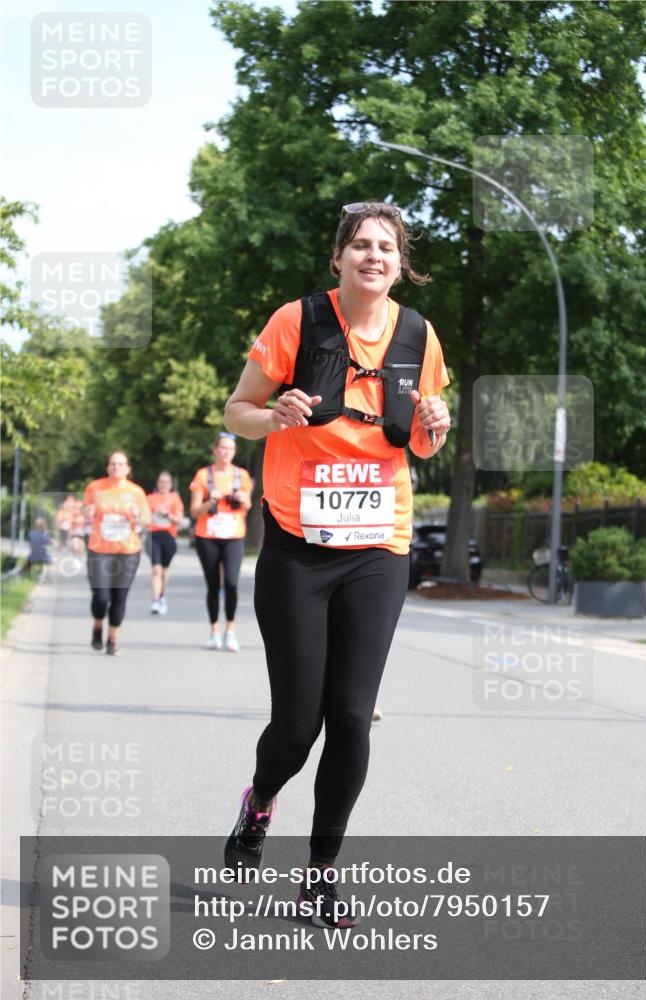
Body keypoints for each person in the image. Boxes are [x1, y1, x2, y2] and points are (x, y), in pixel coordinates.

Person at [222, 200, 451, 927]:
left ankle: (319, 877)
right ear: (338, 258)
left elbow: (419, 440)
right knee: (297, 727)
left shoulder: (418, 335)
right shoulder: (296, 321)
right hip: (297, 547)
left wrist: (436, 426)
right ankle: (259, 803)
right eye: (360, 245)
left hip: (378, 548)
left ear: (399, 263)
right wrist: (274, 415)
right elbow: (236, 410)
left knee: (351, 717)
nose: (372, 256)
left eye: (385, 247)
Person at [189, 433, 253, 651]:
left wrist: (243, 499)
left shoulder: (241, 475)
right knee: (213, 585)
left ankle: (231, 630)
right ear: (215, 450)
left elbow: (247, 506)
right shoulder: (202, 475)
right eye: (223, 448)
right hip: (208, 536)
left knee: (232, 583)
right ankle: (214, 631)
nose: (226, 452)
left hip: (233, 536)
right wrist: (211, 501)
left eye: (231, 449)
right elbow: (194, 511)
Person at [84, 450, 151, 656]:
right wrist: (87, 511)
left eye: (121, 464)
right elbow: (85, 510)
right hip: (100, 549)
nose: (116, 467)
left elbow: (147, 520)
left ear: (128, 469)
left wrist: (139, 517)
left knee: (119, 596)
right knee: (101, 596)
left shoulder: (136, 492)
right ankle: (98, 627)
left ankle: (112, 640)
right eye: (113, 464)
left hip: (127, 550)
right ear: (107, 467)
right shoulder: (95, 487)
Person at [145, 471, 184, 614]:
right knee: (156, 569)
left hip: (169, 536)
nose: (163, 485)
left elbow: (179, 520)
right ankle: (155, 600)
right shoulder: (150, 498)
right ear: (157, 483)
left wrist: (166, 514)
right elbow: (144, 519)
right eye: (161, 482)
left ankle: (162, 595)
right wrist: (153, 514)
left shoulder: (175, 499)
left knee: (164, 570)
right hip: (153, 535)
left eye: (166, 482)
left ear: (170, 484)